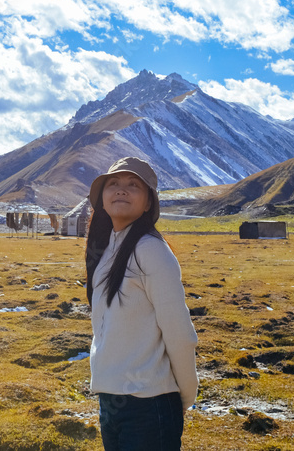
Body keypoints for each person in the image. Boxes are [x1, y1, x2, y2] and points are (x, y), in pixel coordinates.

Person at [85, 157, 198, 451]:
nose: (121, 190)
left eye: (133, 185)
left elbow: (179, 332)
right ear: (102, 198)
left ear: (149, 203)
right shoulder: (109, 247)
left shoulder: (151, 251)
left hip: (150, 404)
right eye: (114, 184)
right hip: (111, 401)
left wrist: (182, 398)